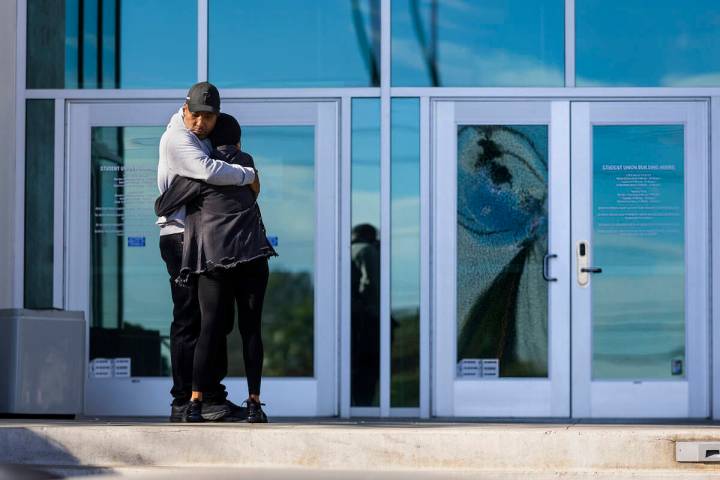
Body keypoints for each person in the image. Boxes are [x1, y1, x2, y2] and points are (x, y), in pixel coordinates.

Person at [155, 113, 277, 423]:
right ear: (238, 141)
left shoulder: (207, 169)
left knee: (201, 324)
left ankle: (194, 401)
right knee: (230, 327)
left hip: (210, 255)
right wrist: (247, 174)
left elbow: (164, 204)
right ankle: (242, 401)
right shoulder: (246, 168)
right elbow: (254, 191)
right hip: (248, 255)